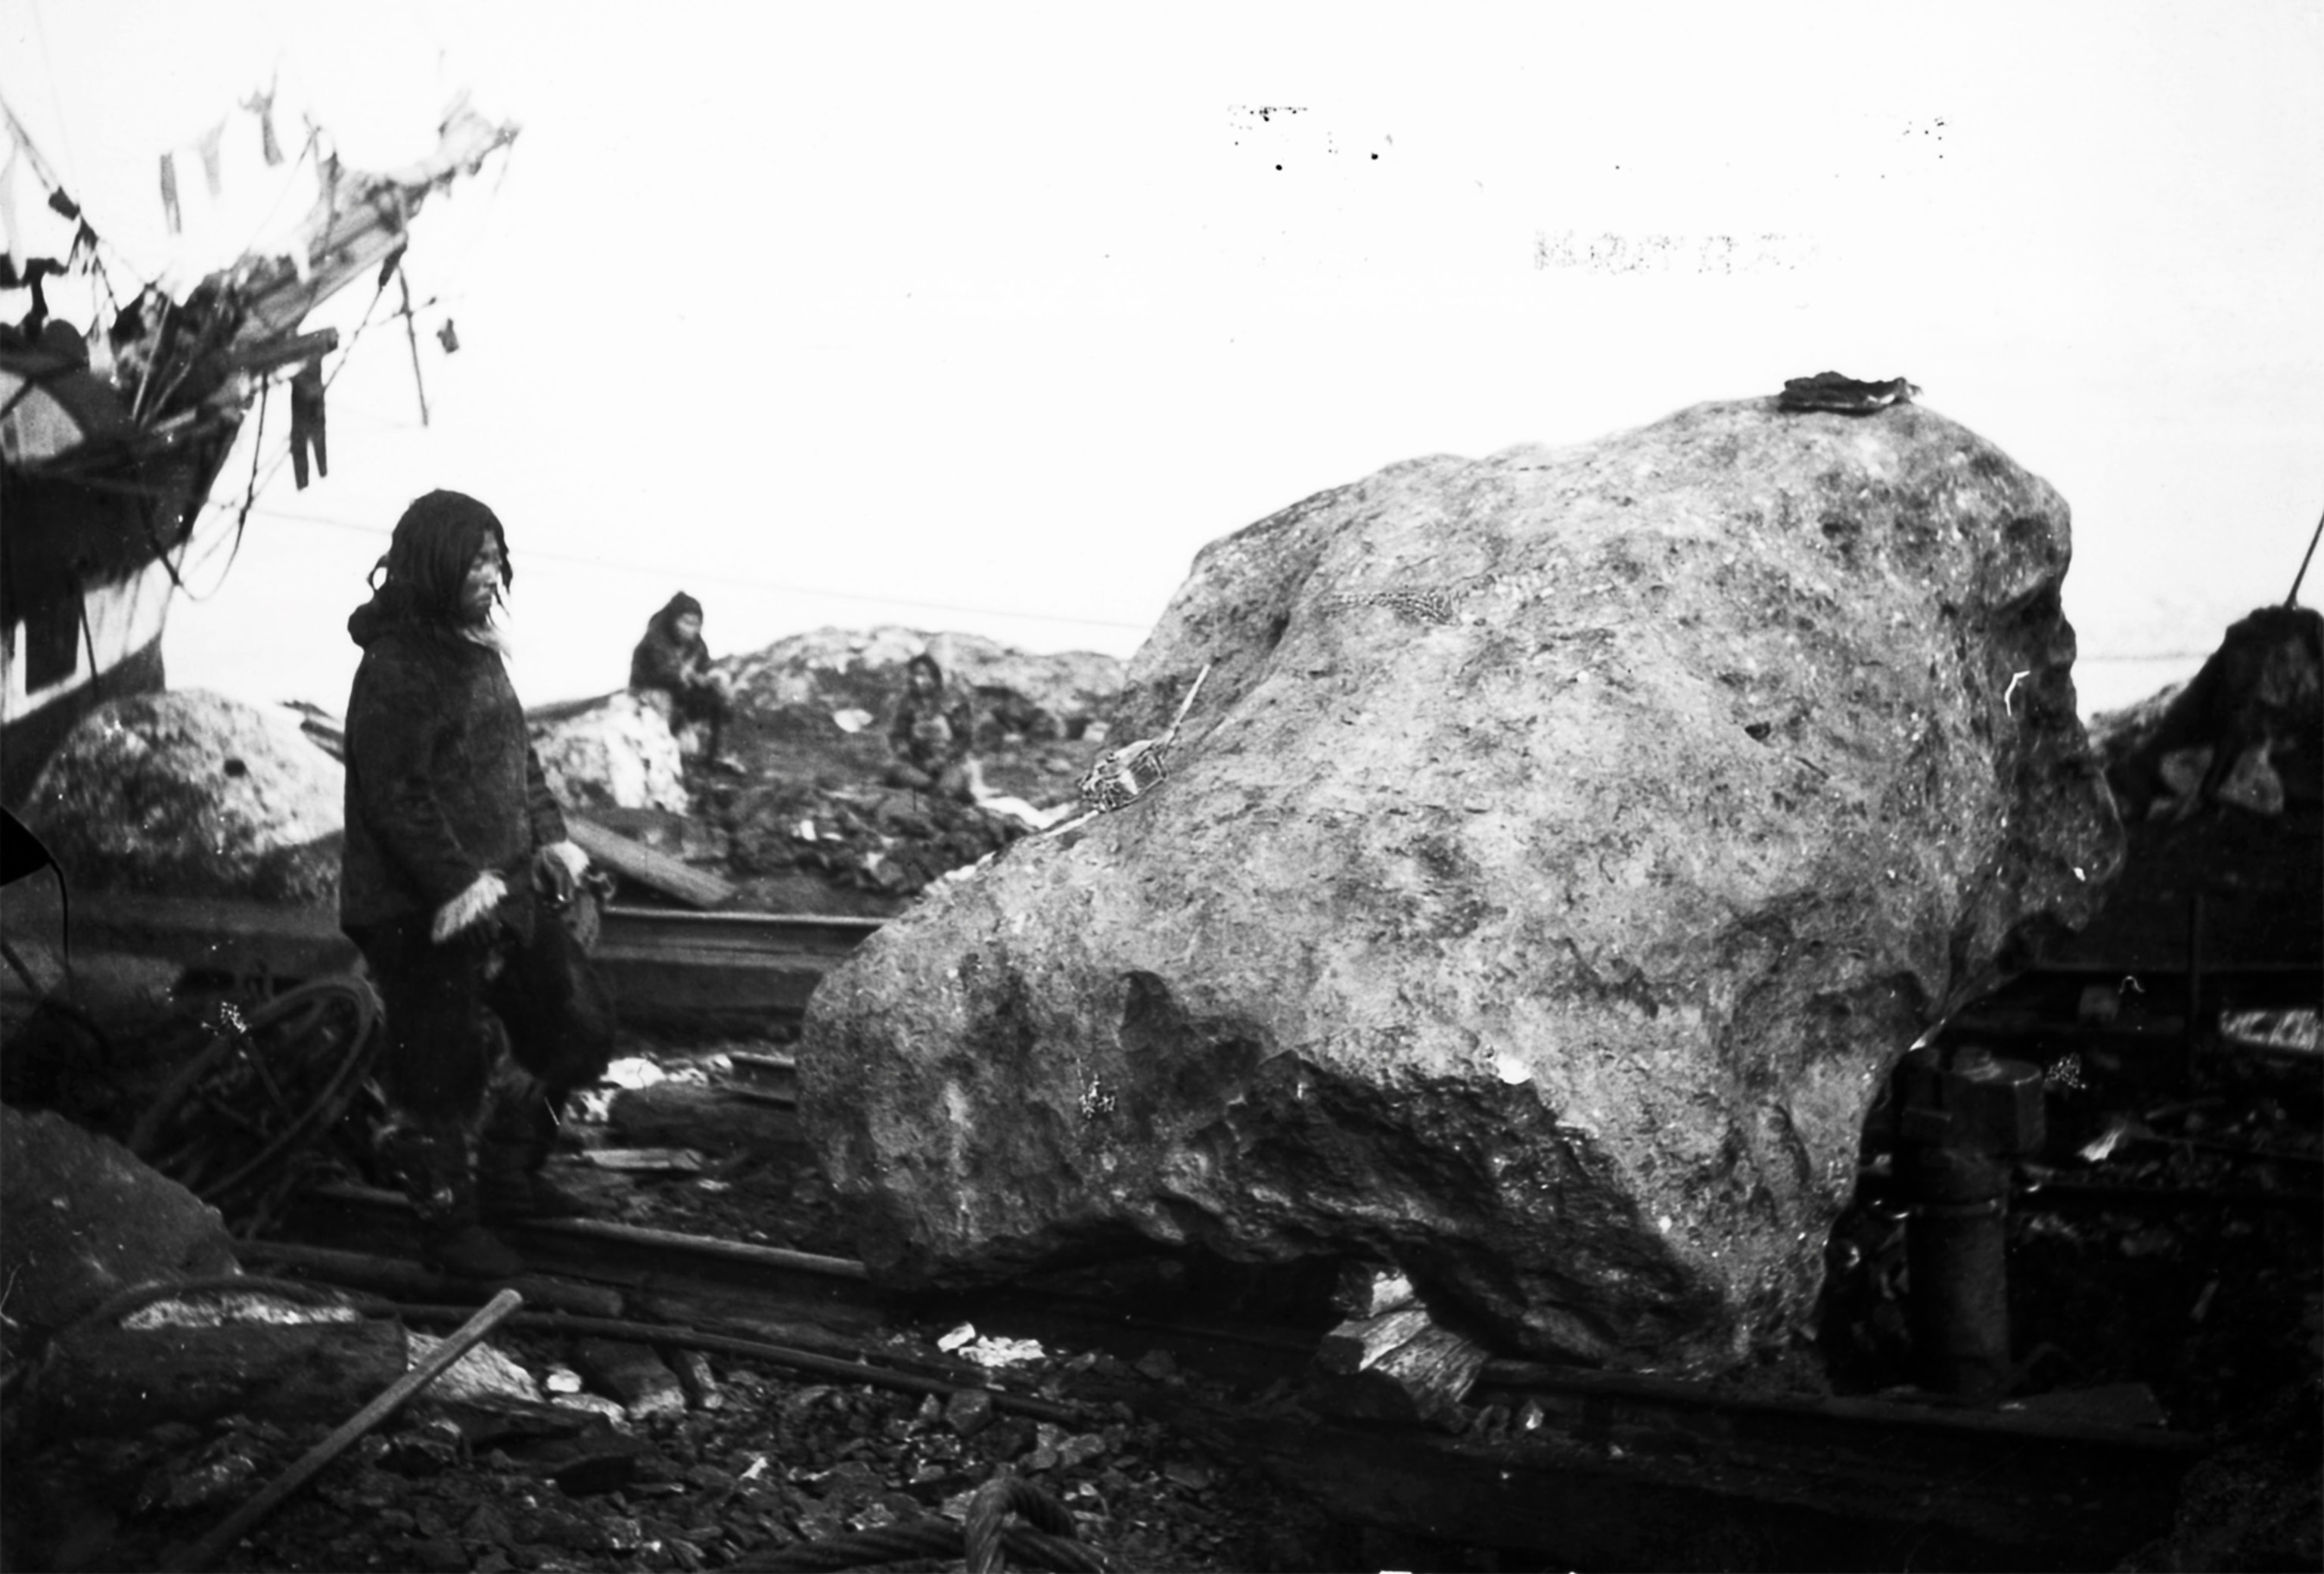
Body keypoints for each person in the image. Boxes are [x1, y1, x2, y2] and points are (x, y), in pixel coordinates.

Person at [340, 490, 616, 1280]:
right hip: (414, 910)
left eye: (497, 555)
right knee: (442, 1075)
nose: (491, 570)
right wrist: (459, 885)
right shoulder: (396, 666)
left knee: (576, 1027)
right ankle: (451, 1232)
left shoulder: (476, 649)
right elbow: (396, 796)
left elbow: (517, 757)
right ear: (433, 564)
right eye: (476, 556)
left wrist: (552, 838)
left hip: (507, 891)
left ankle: (507, 1174)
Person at [629, 591, 735, 765]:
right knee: (662, 700)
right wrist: (691, 677)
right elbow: (664, 674)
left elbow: (705, 666)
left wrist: (714, 678)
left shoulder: (697, 646)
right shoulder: (655, 640)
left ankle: (718, 754)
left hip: (681, 697)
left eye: (696, 624)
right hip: (649, 697)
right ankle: (659, 751)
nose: (691, 629)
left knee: (720, 691)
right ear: (673, 620)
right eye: (686, 622)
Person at [884, 651, 977, 803]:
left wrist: (941, 759)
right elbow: (898, 735)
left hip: (949, 764)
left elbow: (964, 739)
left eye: (921, 675)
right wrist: (904, 751)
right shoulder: (907, 702)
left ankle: (946, 792)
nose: (915, 680)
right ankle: (929, 788)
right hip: (918, 764)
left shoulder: (954, 702)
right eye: (912, 675)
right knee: (895, 771)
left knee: (950, 784)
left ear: (933, 678)